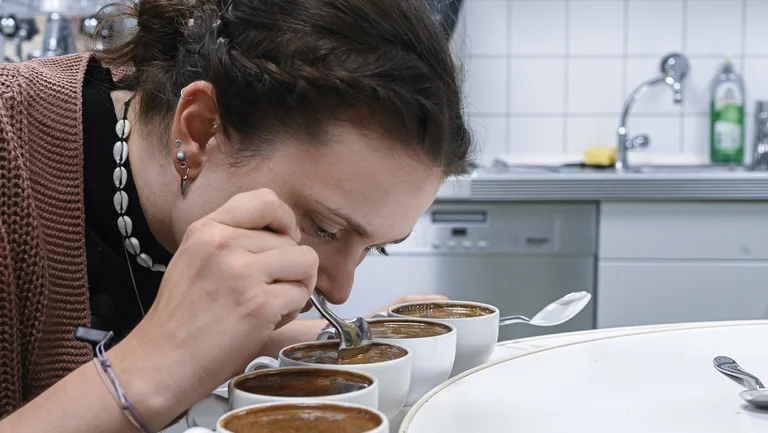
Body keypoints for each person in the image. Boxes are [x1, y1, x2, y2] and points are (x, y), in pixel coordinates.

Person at [0, 0, 472, 430]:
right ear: (200, 132)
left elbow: (200, 329)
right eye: (325, 227)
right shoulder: (11, 158)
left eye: (377, 247)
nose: (340, 289)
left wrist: (342, 339)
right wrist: (146, 373)